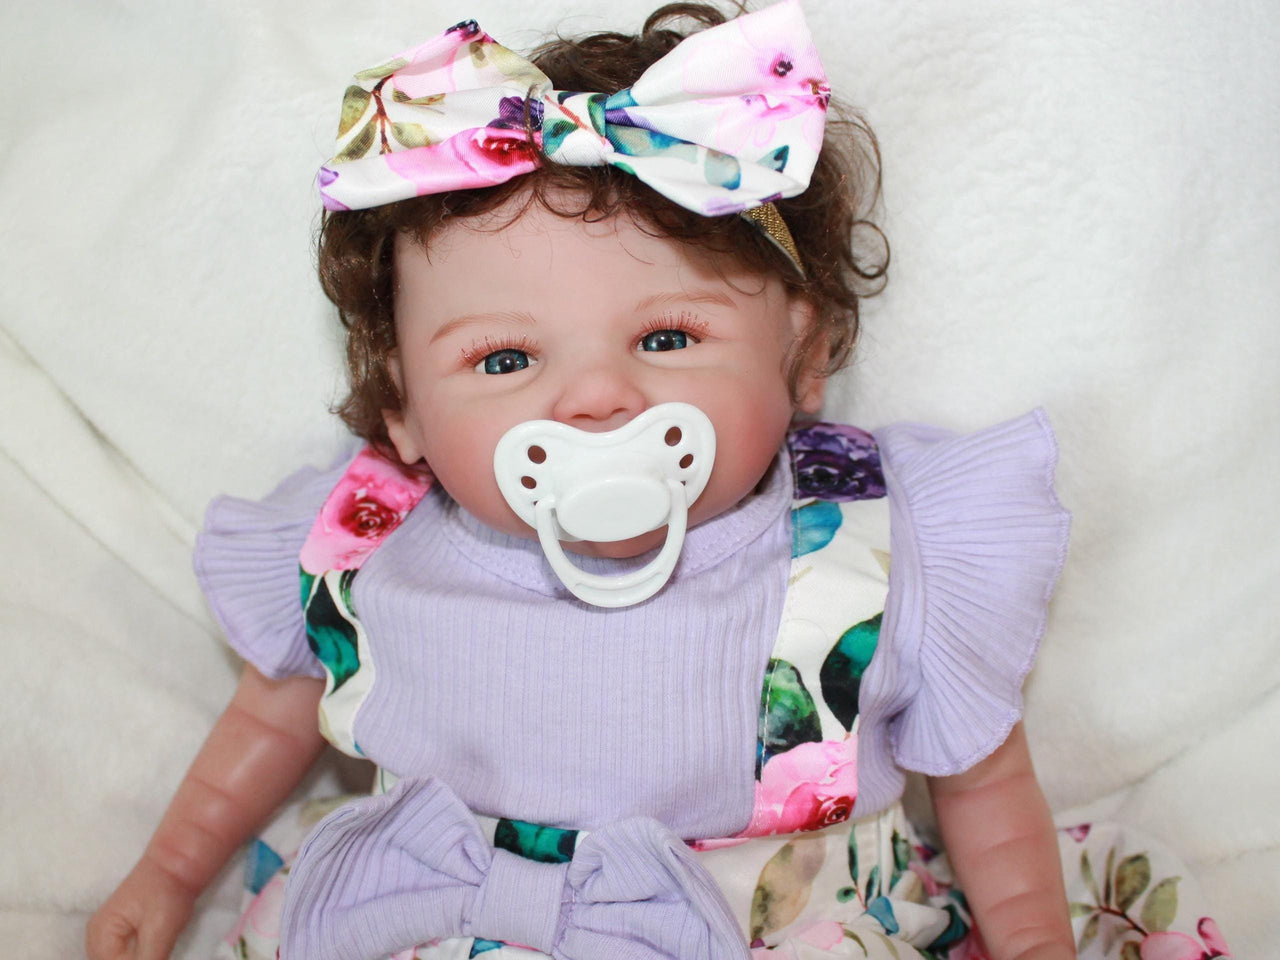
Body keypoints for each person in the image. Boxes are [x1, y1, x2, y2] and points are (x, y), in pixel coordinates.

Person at [85, 3, 1230, 959]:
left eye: (667, 337)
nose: (593, 400)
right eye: (504, 360)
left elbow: (980, 781)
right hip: (422, 918)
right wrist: (169, 873)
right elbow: (272, 711)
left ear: (805, 351)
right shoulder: (362, 535)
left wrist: (1028, 939)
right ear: (402, 412)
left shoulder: (882, 545)